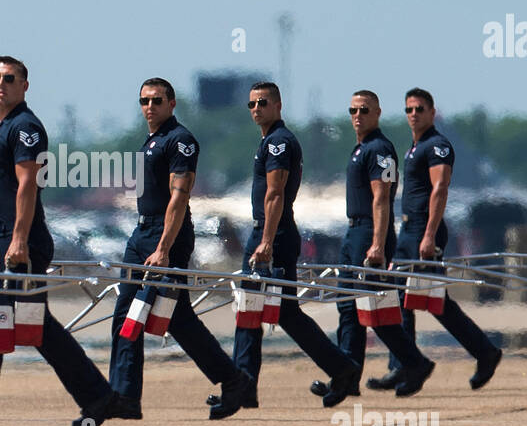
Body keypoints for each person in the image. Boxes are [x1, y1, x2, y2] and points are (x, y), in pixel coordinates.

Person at [0, 57, 125, 426]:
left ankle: (97, 395)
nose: (1, 84)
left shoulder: (25, 127)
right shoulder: (2, 127)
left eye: (10, 79)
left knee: (30, 326)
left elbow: (29, 185)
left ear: (25, 86)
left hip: (17, 240)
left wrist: (19, 240)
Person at [109, 77, 255, 420]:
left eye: (157, 101)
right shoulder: (151, 140)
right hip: (142, 231)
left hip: (166, 235)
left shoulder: (180, 141)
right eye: (144, 101)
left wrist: (163, 248)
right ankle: (125, 395)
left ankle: (232, 378)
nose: (149, 107)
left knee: (170, 316)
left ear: (172, 104)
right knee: (134, 315)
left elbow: (179, 197)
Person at [209, 82, 360, 409]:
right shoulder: (268, 141)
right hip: (266, 233)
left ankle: (341, 369)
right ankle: (245, 386)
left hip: (272, 235)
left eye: (262, 103)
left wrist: (265, 241)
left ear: (278, 105)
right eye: (251, 104)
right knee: (257, 311)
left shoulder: (278, 143)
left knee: (276, 313)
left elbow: (275, 194)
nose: (256, 109)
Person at [368, 87, 502, 397]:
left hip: (423, 232)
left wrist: (428, 235)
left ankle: (478, 353)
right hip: (408, 231)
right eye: (409, 110)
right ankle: (406, 364)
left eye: (419, 109)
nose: (413, 114)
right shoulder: (414, 148)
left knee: (428, 302)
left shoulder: (437, 146)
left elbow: (440, 190)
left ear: (431, 112)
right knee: (408, 300)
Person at [308, 90, 435, 406]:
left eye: (364, 110)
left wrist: (377, 244)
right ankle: (347, 375)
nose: (357, 116)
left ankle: (414, 362)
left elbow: (382, 198)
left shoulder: (380, 149)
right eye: (352, 110)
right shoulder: (360, 148)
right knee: (348, 307)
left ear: (377, 113)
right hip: (354, 232)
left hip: (369, 233)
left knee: (375, 312)